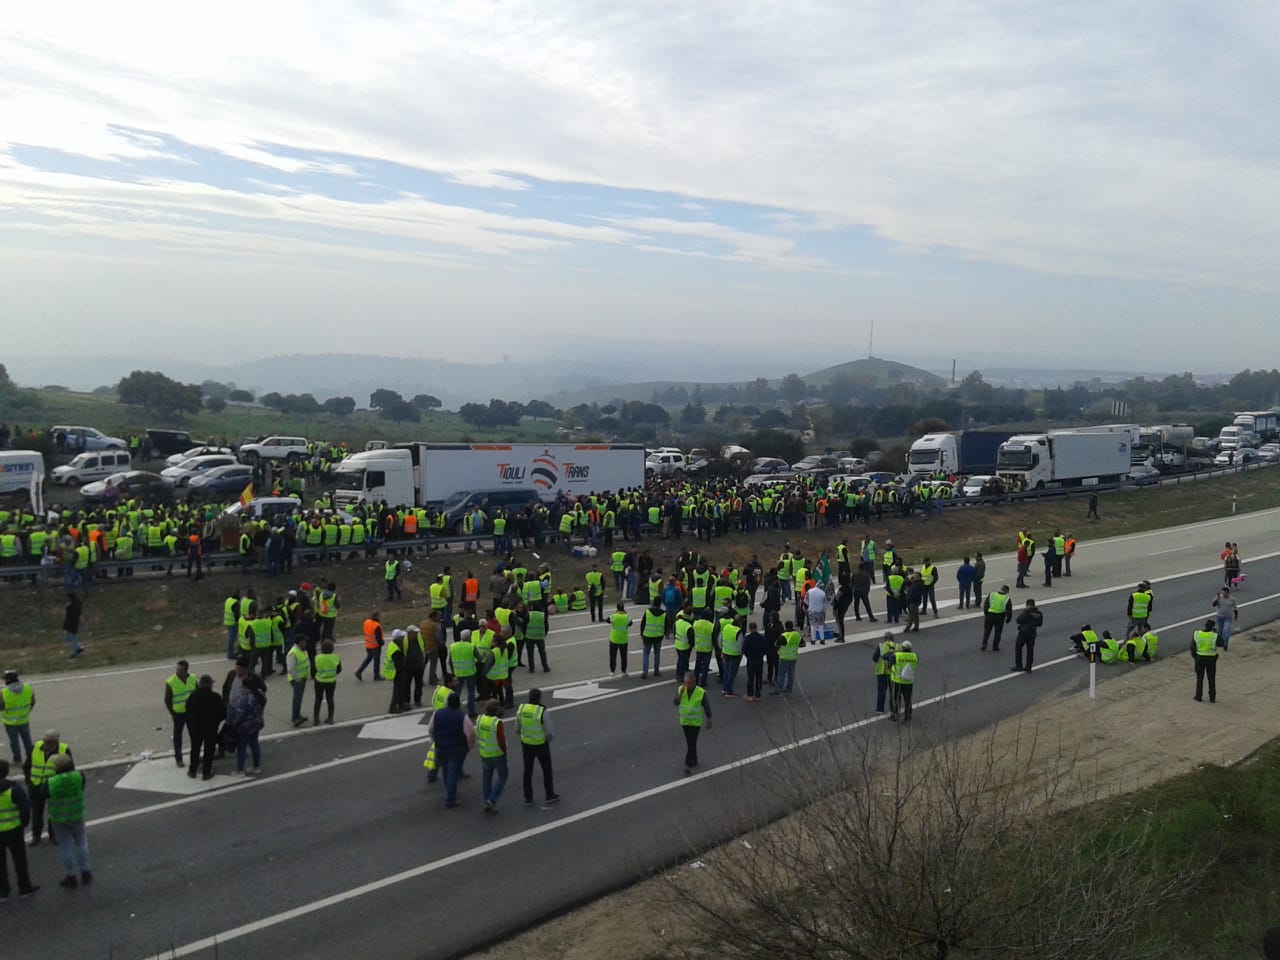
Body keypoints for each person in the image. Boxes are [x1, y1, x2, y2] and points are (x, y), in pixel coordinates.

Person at [47, 753, 91, 889]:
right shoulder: (79, 776)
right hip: (77, 814)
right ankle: (86, 872)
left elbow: (43, 794)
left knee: (65, 847)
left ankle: (70, 876)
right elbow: (81, 787)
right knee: (81, 843)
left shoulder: (51, 781)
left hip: (59, 817)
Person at [24, 729, 70, 846]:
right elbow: (27, 765)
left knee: (54, 812)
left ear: (56, 742)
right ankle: (36, 835)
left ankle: (53, 834)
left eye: (50, 743)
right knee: (36, 812)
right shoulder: (36, 747)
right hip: (36, 785)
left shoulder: (63, 750)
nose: (46, 745)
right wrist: (29, 780)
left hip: (53, 786)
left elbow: (69, 769)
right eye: (45, 741)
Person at [0, 759, 38, 899]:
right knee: (19, 860)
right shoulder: (14, 789)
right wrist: (23, 824)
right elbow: (25, 809)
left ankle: (3, 891)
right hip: (14, 830)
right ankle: (24, 887)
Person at [428, 692, 473, 808]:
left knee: (446, 770)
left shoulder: (438, 713)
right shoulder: (462, 716)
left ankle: (449, 791)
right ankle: (450, 798)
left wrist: (435, 740)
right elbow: (470, 733)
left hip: (441, 746)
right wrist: (469, 746)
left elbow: (431, 728)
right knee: (453, 772)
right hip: (457, 747)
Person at [518, 688, 559, 805]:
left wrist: (523, 738)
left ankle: (528, 796)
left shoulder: (521, 709)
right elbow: (549, 732)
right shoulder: (542, 711)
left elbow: (517, 728)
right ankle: (549, 794)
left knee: (527, 770)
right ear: (539, 698)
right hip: (541, 744)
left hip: (526, 744)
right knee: (546, 770)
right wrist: (547, 741)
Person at [186, 675, 225, 780]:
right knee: (209, 751)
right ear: (210, 685)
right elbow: (223, 713)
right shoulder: (216, 697)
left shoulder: (193, 696)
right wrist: (216, 722)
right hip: (211, 729)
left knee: (195, 749)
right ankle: (206, 772)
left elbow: (188, 711)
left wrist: (191, 724)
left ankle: (192, 770)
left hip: (196, 728)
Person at [227, 673, 266, 776]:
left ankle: (240, 770)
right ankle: (257, 767)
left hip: (245, 726)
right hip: (256, 723)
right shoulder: (260, 695)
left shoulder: (244, 699)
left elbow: (239, 715)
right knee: (254, 744)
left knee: (242, 748)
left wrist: (233, 724)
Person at [675, 672, 712, 774]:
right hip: (685, 721)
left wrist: (709, 719)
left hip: (695, 723)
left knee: (691, 742)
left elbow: (706, 706)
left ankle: (687, 764)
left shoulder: (701, 692)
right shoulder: (681, 689)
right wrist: (680, 694)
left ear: (694, 682)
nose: (687, 685)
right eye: (685, 683)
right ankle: (694, 759)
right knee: (690, 742)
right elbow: (675, 702)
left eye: (689, 683)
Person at [477, 699, 508, 813]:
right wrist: (504, 751)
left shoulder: (480, 719)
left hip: (484, 753)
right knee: (503, 775)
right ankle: (492, 799)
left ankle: (486, 801)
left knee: (487, 778)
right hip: (497, 754)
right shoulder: (496, 722)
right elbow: (501, 740)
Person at [164, 660, 198, 766]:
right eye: (177, 669)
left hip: (191, 712)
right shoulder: (171, 681)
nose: (178, 672)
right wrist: (172, 712)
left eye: (180, 670)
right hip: (178, 713)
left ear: (186, 670)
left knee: (194, 735)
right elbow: (167, 699)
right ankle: (178, 759)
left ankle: (195, 757)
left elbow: (197, 693)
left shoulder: (193, 678)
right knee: (178, 736)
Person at [2, 669, 35, 764]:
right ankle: (31, 758)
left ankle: (17, 759)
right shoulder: (28, 688)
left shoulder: (4, 693)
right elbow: (32, 702)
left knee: (14, 742)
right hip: (24, 719)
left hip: (10, 722)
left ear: (7, 680)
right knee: (27, 740)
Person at [888, 639, 917, 723]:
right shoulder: (914, 656)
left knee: (896, 699)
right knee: (907, 699)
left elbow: (890, 665)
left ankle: (895, 715)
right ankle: (908, 717)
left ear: (902, 648)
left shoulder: (896, 655)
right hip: (908, 682)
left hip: (897, 681)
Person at [312, 640, 341, 725]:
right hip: (331, 681)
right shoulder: (336, 658)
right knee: (330, 699)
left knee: (318, 699)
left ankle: (316, 719)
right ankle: (330, 718)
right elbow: (339, 669)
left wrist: (315, 676)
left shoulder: (317, 658)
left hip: (319, 681)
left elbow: (313, 670)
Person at [286, 633, 311, 726]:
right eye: (304, 641)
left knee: (299, 697)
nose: (306, 643)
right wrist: (297, 678)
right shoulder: (293, 653)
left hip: (302, 678)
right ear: (300, 642)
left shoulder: (302, 650)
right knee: (297, 698)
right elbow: (291, 668)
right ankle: (295, 718)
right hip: (296, 680)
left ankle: (298, 715)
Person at [1191, 619, 1219, 703]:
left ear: (1205, 626)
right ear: (1212, 627)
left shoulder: (1197, 634)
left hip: (1199, 658)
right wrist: (1217, 633)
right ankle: (1212, 697)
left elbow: (1192, 647)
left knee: (1199, 678)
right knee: (1211, 678)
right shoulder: (1214, 636)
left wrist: (1195, 657)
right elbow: (1221, 643)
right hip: (1211, 659)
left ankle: (1198, 696)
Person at [1013, 599, 1043, 672]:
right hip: (1032, 633)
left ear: (1028, 605)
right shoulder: (1039, 613)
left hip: (1023, 633)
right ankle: (1028, 667)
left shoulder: (1026, 612)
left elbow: (1018, 620)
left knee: (1018, 649)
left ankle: (1019, 666)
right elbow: (1039, 623)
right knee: (1030, 650)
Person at [773, 620, 802, 695]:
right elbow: (803, 644)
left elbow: (776, 644)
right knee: (791, 674)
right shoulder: (797, 634)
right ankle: (789, 688)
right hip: (793, 657)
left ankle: (779, 689)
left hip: (784, 657)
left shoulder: (784, 635)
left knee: (781, 674)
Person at [981, 585, 1013, 652]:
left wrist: (986, 614)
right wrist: (1008, 619)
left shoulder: (992, 594)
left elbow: (986, 605)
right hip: (1000, 616)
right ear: (1006, 591)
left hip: (990, 615)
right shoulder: (1007, 599)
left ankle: (984, 644)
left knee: (987, 631)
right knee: (998, 632)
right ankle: (995, 646)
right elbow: (1009, 610)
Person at [355, 610, 383, 682]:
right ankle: (376, 675)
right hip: (375, 646)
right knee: (376, 661)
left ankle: (359, 671)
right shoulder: (377, 626)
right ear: (377, 616)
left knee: (368, 658)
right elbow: (378, 638)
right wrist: (381, 643)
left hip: (368, 645)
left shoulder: (367, 622)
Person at [872, 631, 896, 713]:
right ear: (893, 638)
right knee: (893, 691)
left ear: (884, 638)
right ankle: (893, 709)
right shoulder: (897, 646)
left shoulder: (881, 646)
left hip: (882, 672)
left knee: (882, 691)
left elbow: (875, 658)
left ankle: (880, 709)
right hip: (893, 672)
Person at [742, 621, 766, 702]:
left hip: (751, 660)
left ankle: (750, 695)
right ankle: (758, 694)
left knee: (750, 678)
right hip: (759, 660)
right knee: (759, 677)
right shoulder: (761, 637)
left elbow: (744, 649)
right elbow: (765, 648)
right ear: (756, 627)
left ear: (750, 628)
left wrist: (748, 656)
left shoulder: (747, 638)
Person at [609, 602, 633, 677]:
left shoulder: (613, 616)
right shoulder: (627, 617)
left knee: (613, 656)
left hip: (614, 639)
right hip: (623, 640)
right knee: (623, 656)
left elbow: (607, 620)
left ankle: (612, 671)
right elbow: (631, 623)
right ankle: (623, 671)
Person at [63, 592, 83, 659]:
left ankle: (74, 652)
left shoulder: (75, 603)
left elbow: (76, 613)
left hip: (72, 622)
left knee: (72, 637)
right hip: (69, 622)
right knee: (67, 638)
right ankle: (78, 648)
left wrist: (68, 607)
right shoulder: (73, 603)